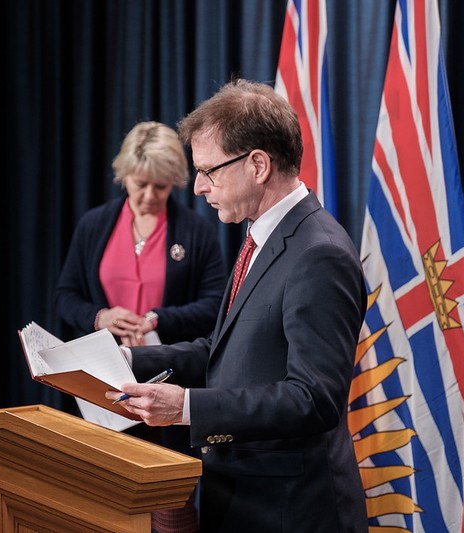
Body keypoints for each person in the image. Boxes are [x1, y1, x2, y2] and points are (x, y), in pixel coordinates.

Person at [106, 80, 368, 532]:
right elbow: (223, 349)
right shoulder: (258, 236)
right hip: (242, 496)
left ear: (258, 165)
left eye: (209, 172)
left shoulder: (318, 253)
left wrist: (187, 407)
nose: (201, 188)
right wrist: (122, 359)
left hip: (290, 510)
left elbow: (314, 399)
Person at [55, 120, 226, 532]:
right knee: (101, 503)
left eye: (161, 187)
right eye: (140, 184)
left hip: (165, 385)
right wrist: (101, 317)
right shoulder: (95, 225)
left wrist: (158, 319)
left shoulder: (197, 232)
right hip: (101, 386)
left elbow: (217, 305)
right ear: (124, 176)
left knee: (169, 510)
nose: (150, 196)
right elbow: (65, 297)